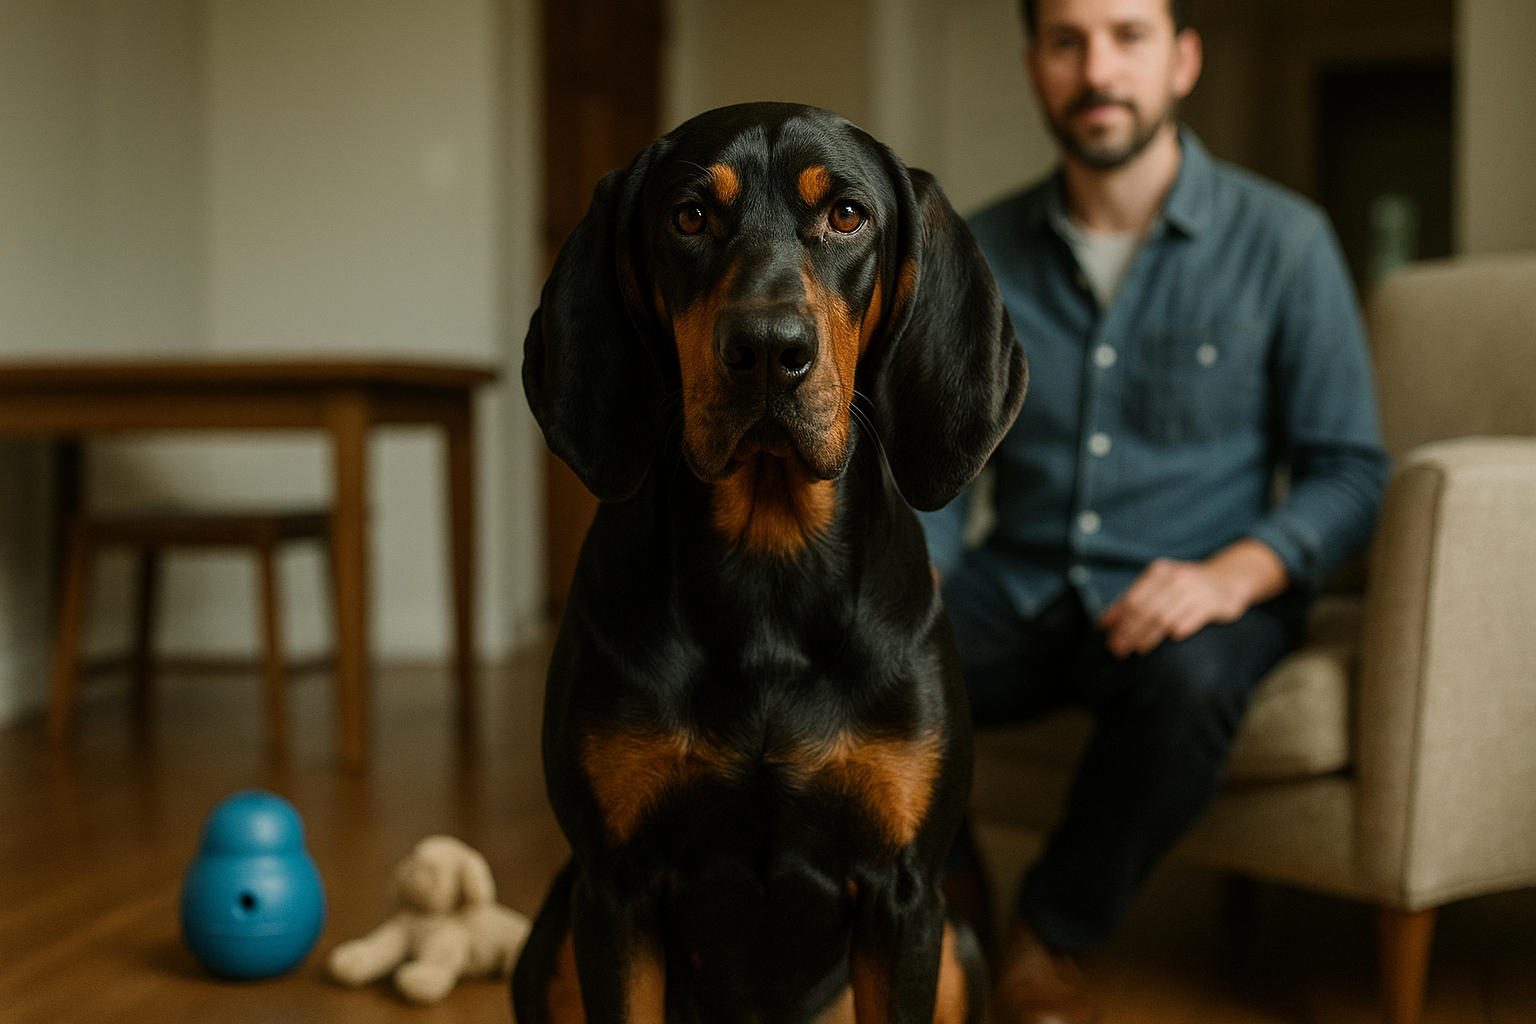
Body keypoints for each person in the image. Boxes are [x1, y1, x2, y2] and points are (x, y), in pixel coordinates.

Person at [923, 0, 1391, 1021]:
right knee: (877, 652)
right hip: (1023, 576)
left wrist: (1235, 573)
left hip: (1203, 587)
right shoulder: (976, 248)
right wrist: (919, 569)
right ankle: (948, 892)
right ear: (1034, 66)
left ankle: (1050, 934)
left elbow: (1351, 472)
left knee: (1190, 682)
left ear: (1182, 59)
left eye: (1128, 35)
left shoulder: (1286, 242)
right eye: (1067, 41)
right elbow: (938, 457)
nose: (1099, 68)